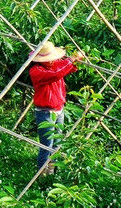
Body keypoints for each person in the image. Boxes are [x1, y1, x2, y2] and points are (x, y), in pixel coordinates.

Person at [28, 42, 85, 174]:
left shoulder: (54, 66)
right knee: (46, 145)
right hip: (45, 112)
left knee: (57, 144)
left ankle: (51, 172)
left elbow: (67, 68)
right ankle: (41, 174)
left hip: (59, 110)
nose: (53, 60)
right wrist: (71, 60)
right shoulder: (36, 71)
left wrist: (76, 59)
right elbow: (55, 74)